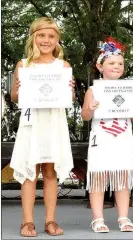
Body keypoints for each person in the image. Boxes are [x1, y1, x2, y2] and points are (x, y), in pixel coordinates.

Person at [10, 16, 75, 237]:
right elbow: (15, 98)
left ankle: (50, 220)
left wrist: (71, 88)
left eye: (51, 36)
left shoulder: (63, 66)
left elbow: (69, 99)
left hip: (54, 123)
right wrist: (17, 88)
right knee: (30, 172)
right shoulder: (24, 65)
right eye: (41, 35)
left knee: (50, 171)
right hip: (32, 123)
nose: (46, 40)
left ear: (57, 40)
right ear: (33, 38)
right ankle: (27, 222)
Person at [81, 37, 133, 233]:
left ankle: (123, 217)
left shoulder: (130, 89)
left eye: (120, 63)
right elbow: (85, 115)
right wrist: (90, 108)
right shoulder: (93, 90)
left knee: (122, 178)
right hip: (101, 139)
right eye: (111, 63)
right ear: (100, 66)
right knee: (99, 178)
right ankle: (98, 219)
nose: (116, 66)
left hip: (123, 139)